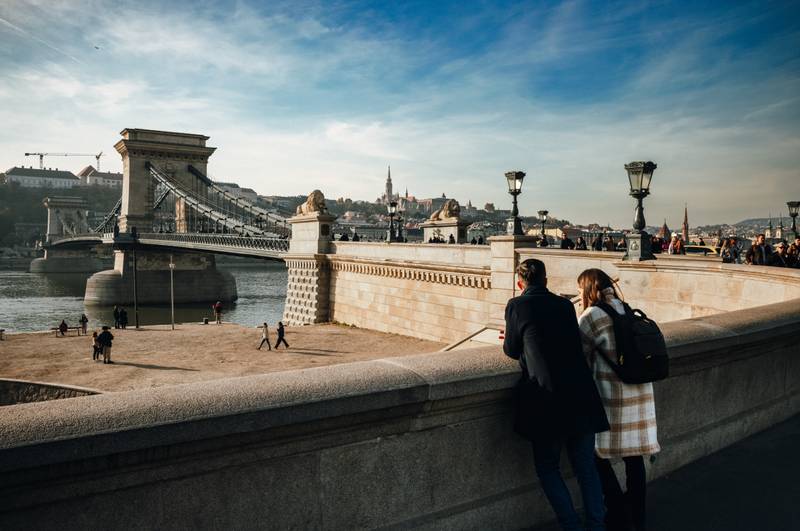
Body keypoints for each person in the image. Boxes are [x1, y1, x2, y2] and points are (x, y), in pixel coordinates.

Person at [504, 259, 609, 531]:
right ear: (546, 281)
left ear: (520, 284)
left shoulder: (517, 305)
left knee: (548, 467)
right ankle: (596, 525)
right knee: (586, 467)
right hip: (581, 395)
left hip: (547, 401)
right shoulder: (564, 305)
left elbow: (511, 350)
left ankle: (572, 526)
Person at [577, 269, 660, 531]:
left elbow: (578, 354)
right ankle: (638, 517)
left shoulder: (592, 316)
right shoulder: (627, 309)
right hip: (640, 393)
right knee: (634, 459)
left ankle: (618, 510)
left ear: (587, 289)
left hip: (612, 396)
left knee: (595, 454)